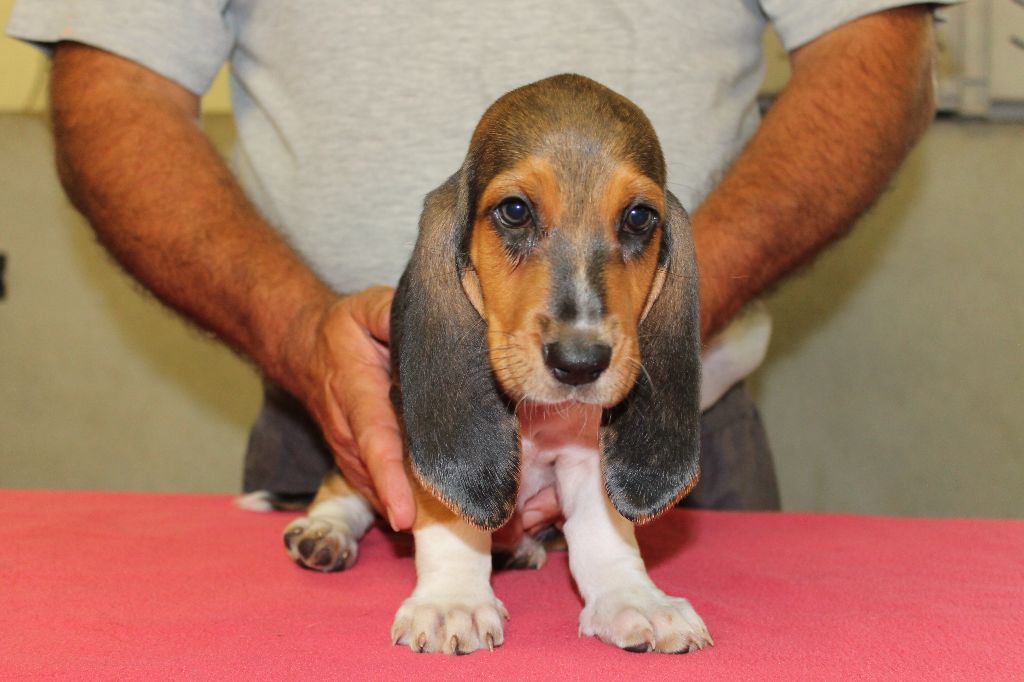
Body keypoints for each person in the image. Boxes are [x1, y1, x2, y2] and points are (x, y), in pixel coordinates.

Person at [8, 1, 949, 538]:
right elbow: (115, 78)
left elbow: (878, 42)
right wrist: (299, 335)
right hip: (342, 409)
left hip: (673, 409)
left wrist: (654, 319)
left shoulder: (651, 330)